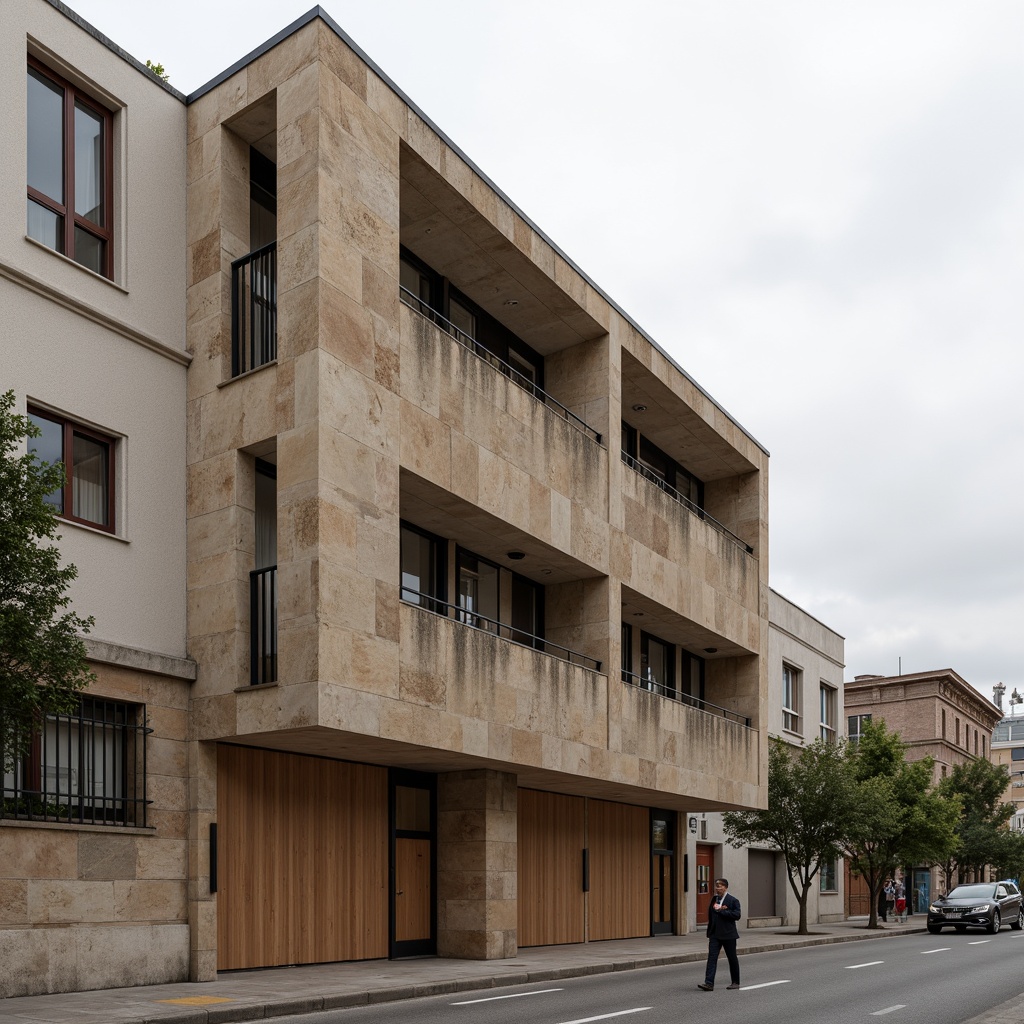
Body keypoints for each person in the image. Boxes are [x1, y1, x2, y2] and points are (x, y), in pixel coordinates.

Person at [698, 877, 742, 991]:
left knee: (732, 958)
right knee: (712, 958)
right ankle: (709, 983)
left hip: (728, 934)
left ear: (726, 887)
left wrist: (723, 911)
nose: (718, 888)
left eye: (720, 886)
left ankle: (735, 982)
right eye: (716, 886)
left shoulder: (733, 900)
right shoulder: (714, 899)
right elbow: (711, 915)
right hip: (715, 935)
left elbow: (737, 915)